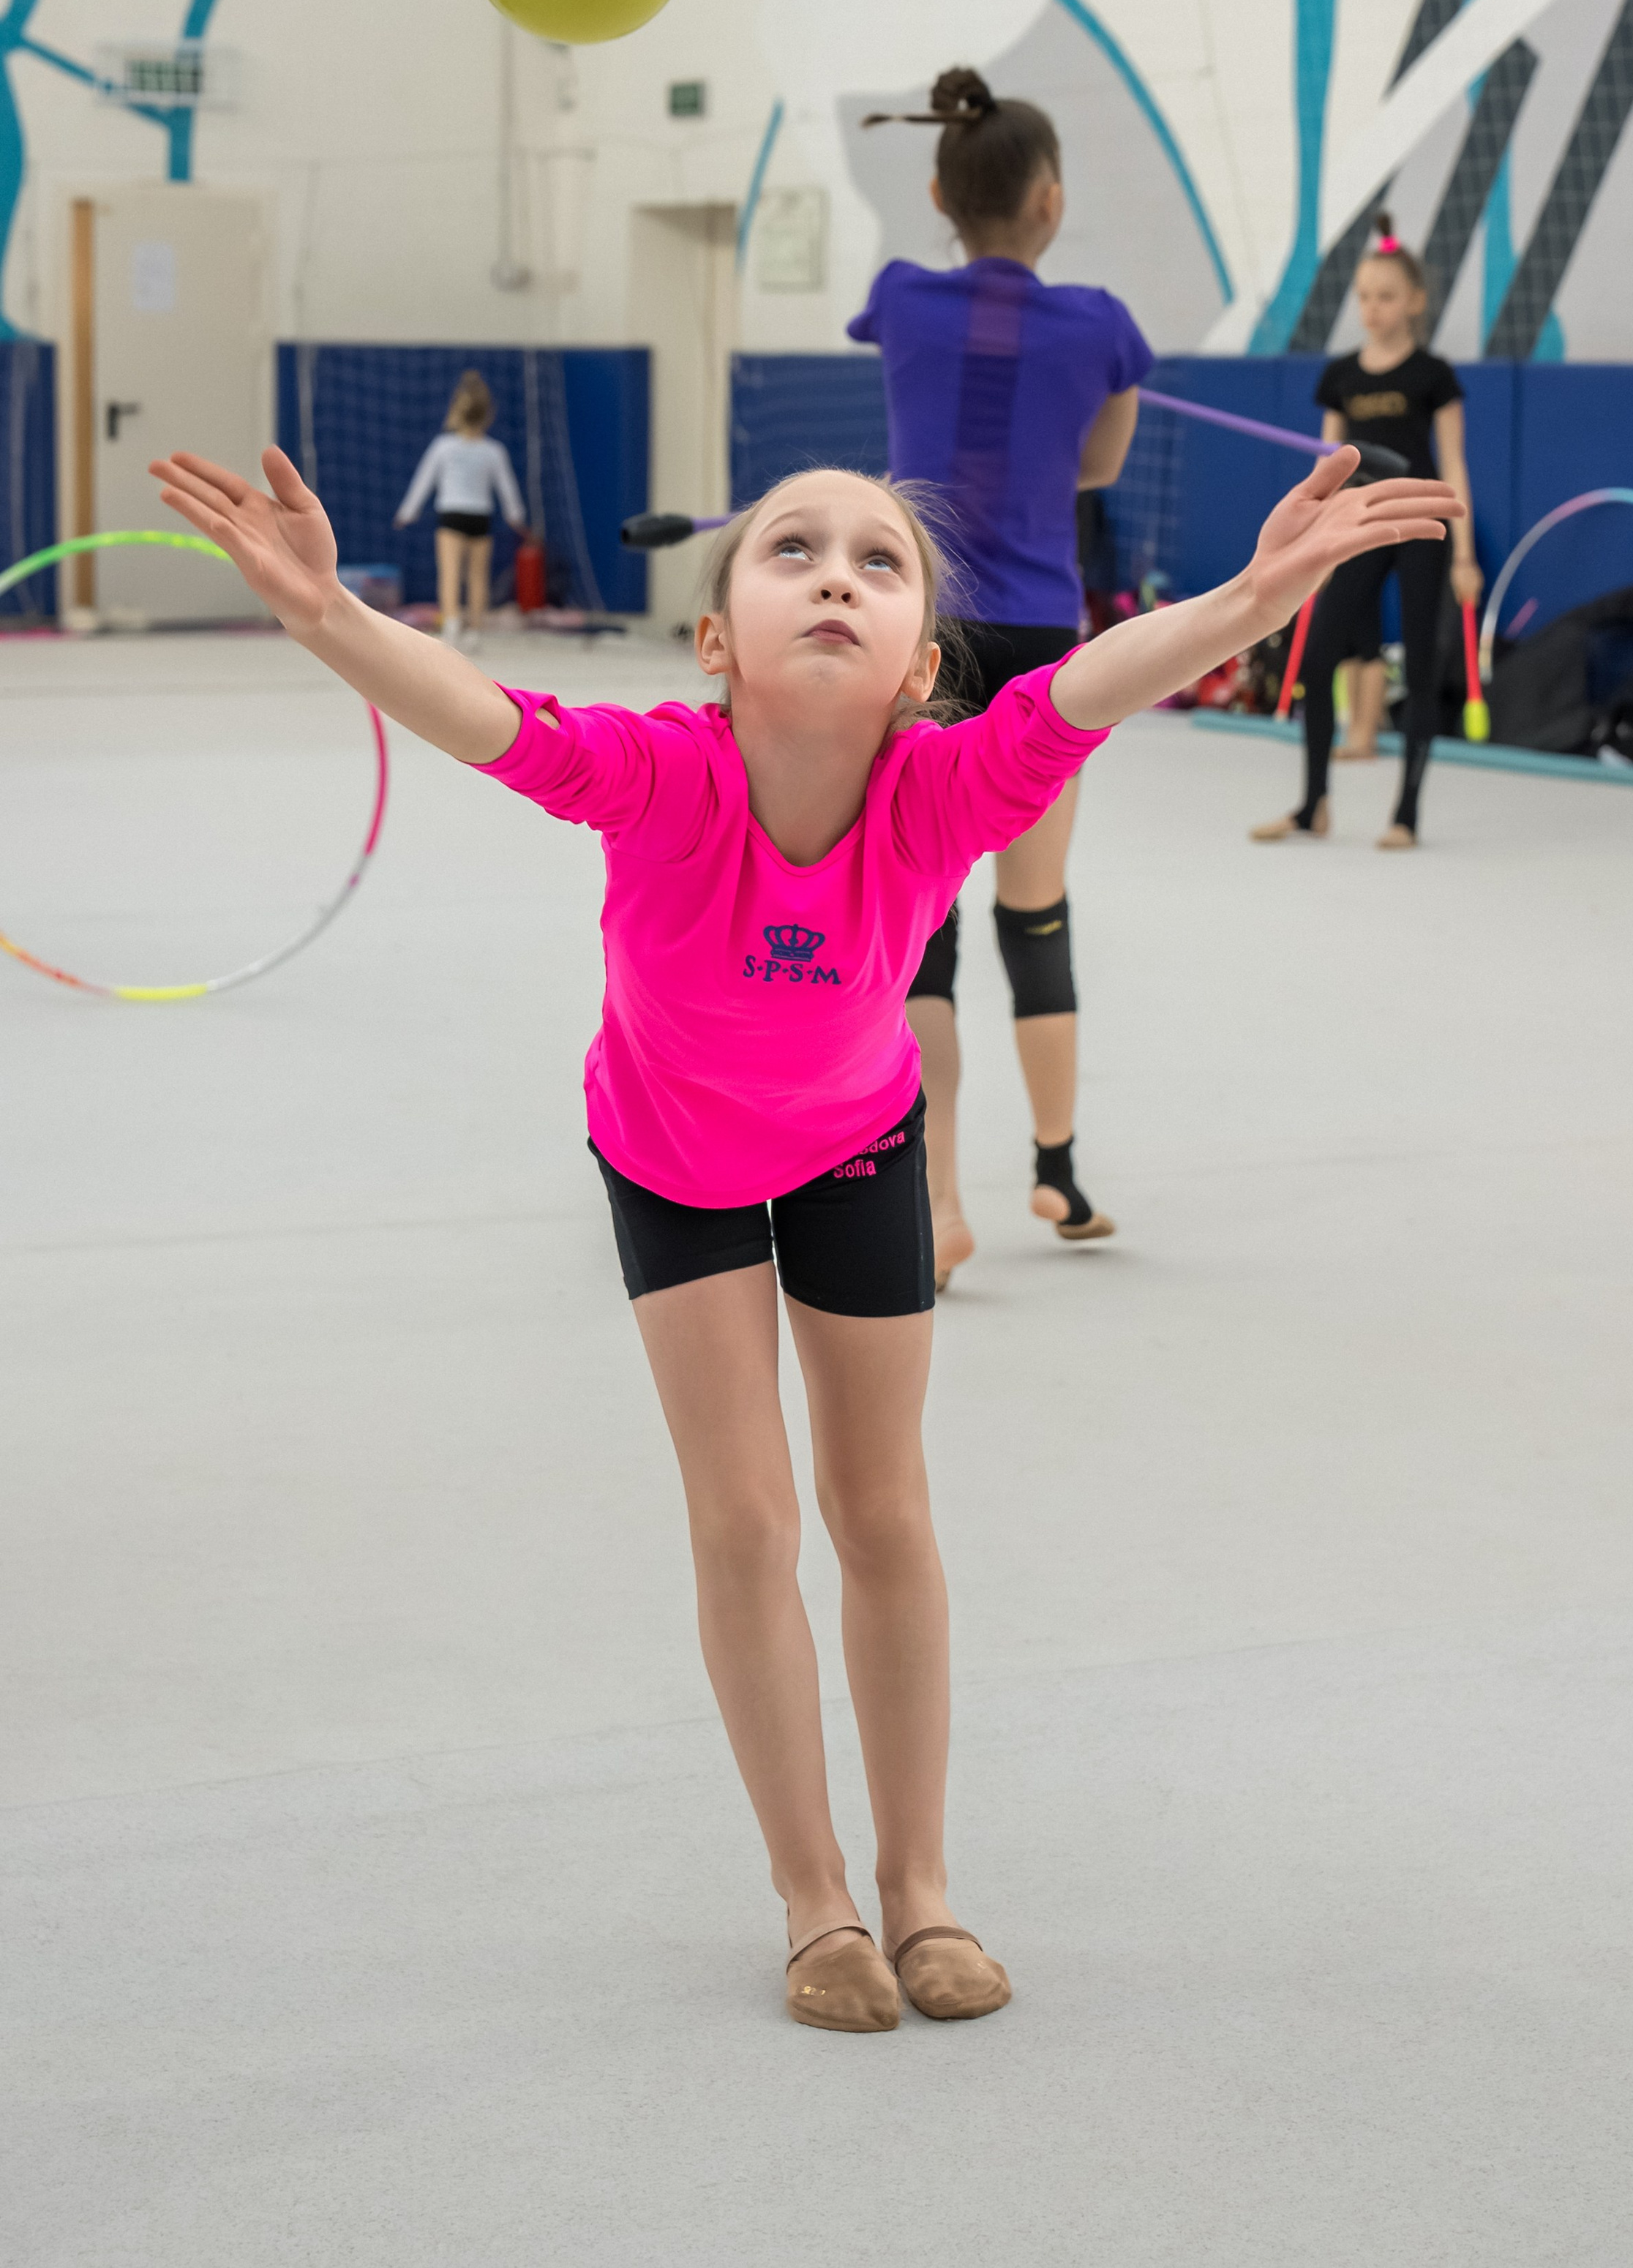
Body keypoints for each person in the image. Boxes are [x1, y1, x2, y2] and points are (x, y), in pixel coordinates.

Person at [147, 432, 1460, 2035]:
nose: (836, 573)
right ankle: (812, 1890)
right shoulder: (661, 775)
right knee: (747, 1520)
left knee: (882, 1509)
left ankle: (921, 1883)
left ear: (921, 667)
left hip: (855, 1142)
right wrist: (330, 615)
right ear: (715, 642)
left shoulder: (943, 789)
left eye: (876, 561)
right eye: (793, 549)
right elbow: (486, 717)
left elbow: (1087, 688)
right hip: (673, 1154)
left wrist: (1251, 602)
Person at [850, 67, 1148, 1288]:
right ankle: (1058, 1168)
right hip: (1036, 643)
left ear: (938, 193)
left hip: (925, 637)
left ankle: (935, 1203)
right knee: (1036, 904)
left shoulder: (899, 298)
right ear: (1051, 201)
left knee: (925, 920)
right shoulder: (1104, 328)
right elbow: (1096, 468)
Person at [1253, 217, 1482, 849]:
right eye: (1363, 296)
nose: (1371, 308)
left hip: (1421, 523)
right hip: (1358, 525)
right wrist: (1312, 542)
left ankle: (1406, 812)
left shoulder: (1433, 375)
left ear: (1415, 302)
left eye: (1386, 296)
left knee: (1422, 660)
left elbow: (1454, 461)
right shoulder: (1341, 376)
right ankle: (1312, 805)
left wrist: (1464, 556)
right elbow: (1326, 466)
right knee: (1320, 655)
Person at [394, 369, 528, 648]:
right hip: (480, 518)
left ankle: (452, 626)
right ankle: (475, 631)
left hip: (452, 516)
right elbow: (508, 489)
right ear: (488, 415)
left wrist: (408, 512)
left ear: (456, 411)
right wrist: (516, 517)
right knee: (478, 577)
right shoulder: (494, 451)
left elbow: (424, 480)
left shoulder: (444, 447)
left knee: (450, 573)